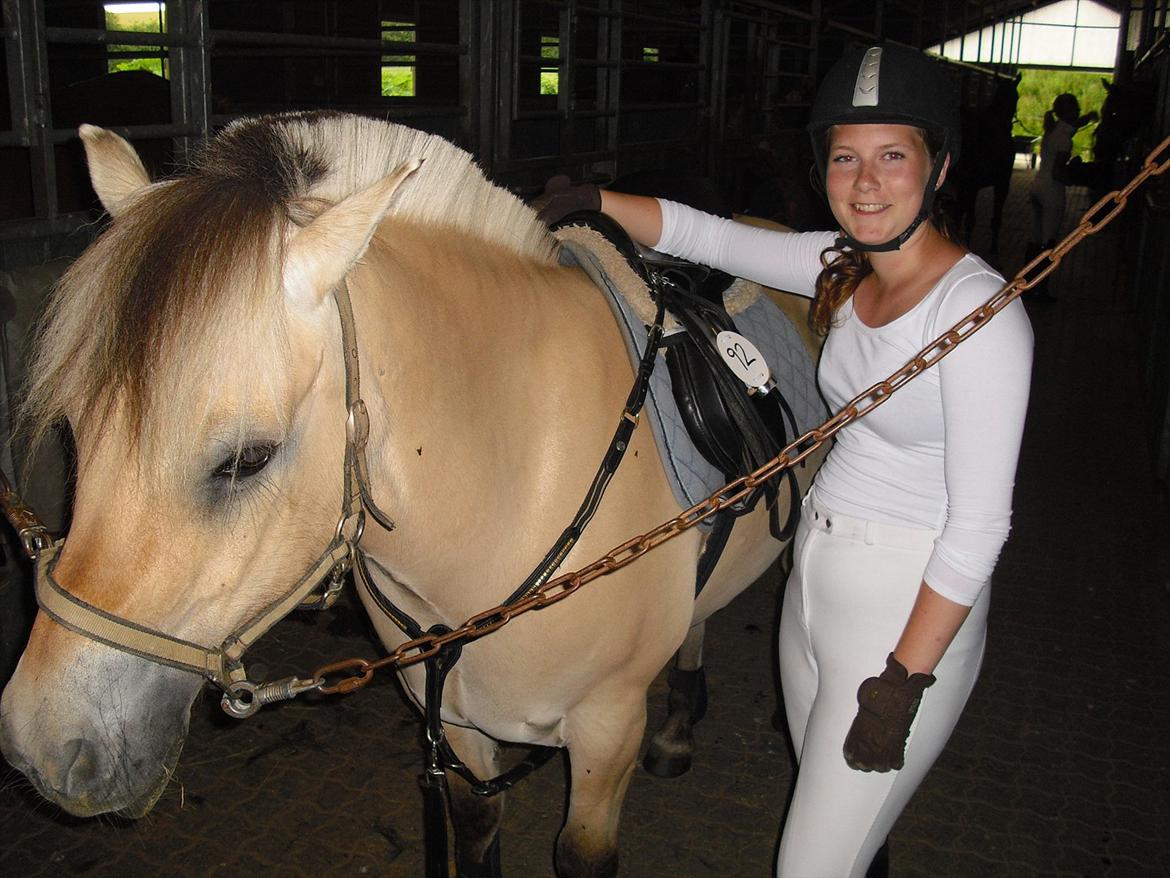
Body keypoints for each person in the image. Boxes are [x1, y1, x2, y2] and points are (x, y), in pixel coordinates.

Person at [532, 43, 1033, 877]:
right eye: (846, 158)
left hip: (903, 618)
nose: (865, 182)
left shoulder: (980, 313)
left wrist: (903, 681)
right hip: (811, 592)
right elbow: (708, 235)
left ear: (938, 169)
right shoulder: (844, 266)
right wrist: (591, 202)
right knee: (844, 841)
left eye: (891, 157)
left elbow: (981, 526)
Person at [1025, 92, 1099, 301]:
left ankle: (1026, 283)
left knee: (1034, 237)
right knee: (1049, 242)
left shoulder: (1053, 129)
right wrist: (1075, 175)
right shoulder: (1065, 139)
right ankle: (1041, 288)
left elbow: (1074, 124)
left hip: (1037, 186)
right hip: (1052, 191)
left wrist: (1089, 117)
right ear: (1068, 111)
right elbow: (1059, 172)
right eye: (1076, 108)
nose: (1078, 112)